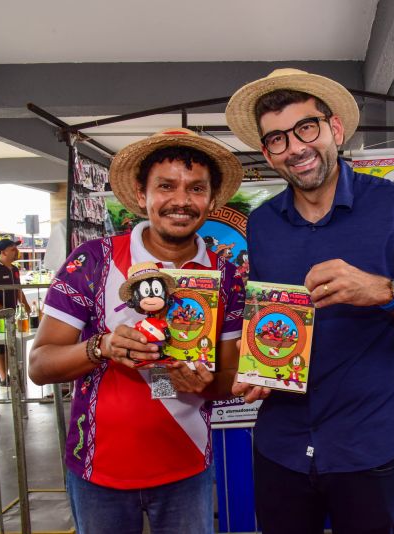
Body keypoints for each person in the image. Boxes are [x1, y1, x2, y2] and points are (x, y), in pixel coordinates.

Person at [225, 68, 394, 533]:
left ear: (334, 129)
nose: (294, 147)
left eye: (306, 128)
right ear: (266, 153)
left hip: (370, 445)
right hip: (282, 444)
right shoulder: (262, 224)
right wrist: (259, 367)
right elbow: (271, 320)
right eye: (277, 138)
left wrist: (384, 290)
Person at [28, 128, 244, 534]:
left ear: (212, 201)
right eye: (166, 186)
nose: (181, 200)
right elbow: (39, 365)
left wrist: (204, 382)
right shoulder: (93, 261)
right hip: (99, 472)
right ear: (141, 194)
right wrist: (102, 346)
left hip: (187, 470)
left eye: (196, 188)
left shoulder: (226, 275)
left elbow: (230, 379)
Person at [0, 238, 31, 386]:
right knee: (0, 346)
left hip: (11, 315)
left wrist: (25, 305)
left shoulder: (14, 270)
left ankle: (12, 375)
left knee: (11, 343)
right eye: (12, 249)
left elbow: (18, 290)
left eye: (15, 248)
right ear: (3, 252)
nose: (15, 251)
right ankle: (4, 377)